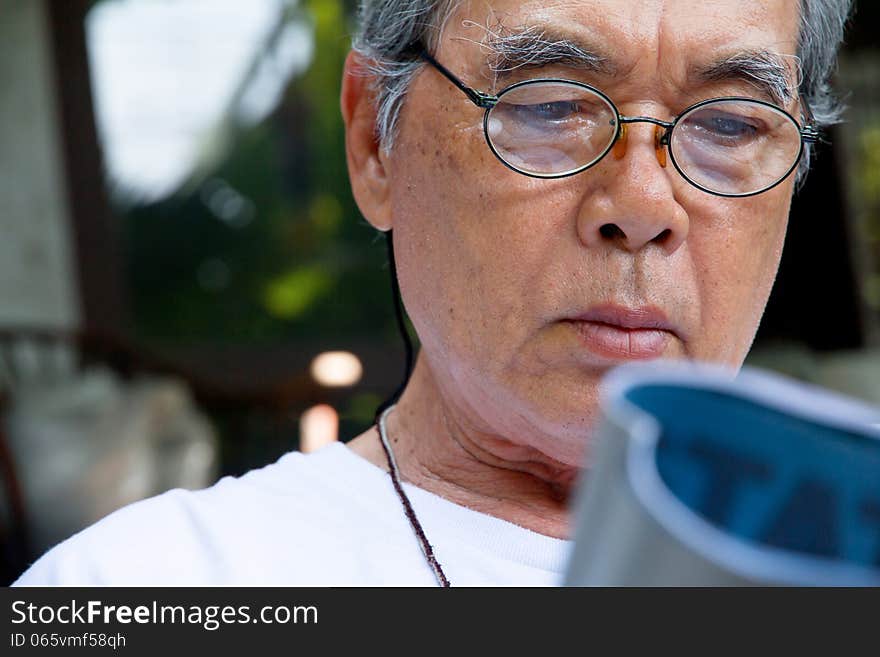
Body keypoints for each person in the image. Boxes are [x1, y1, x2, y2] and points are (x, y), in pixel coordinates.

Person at [15, 0, 852, 586]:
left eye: (731, 125)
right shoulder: (154, 586)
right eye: (550, 105)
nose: (640, 205)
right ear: (374, 143)